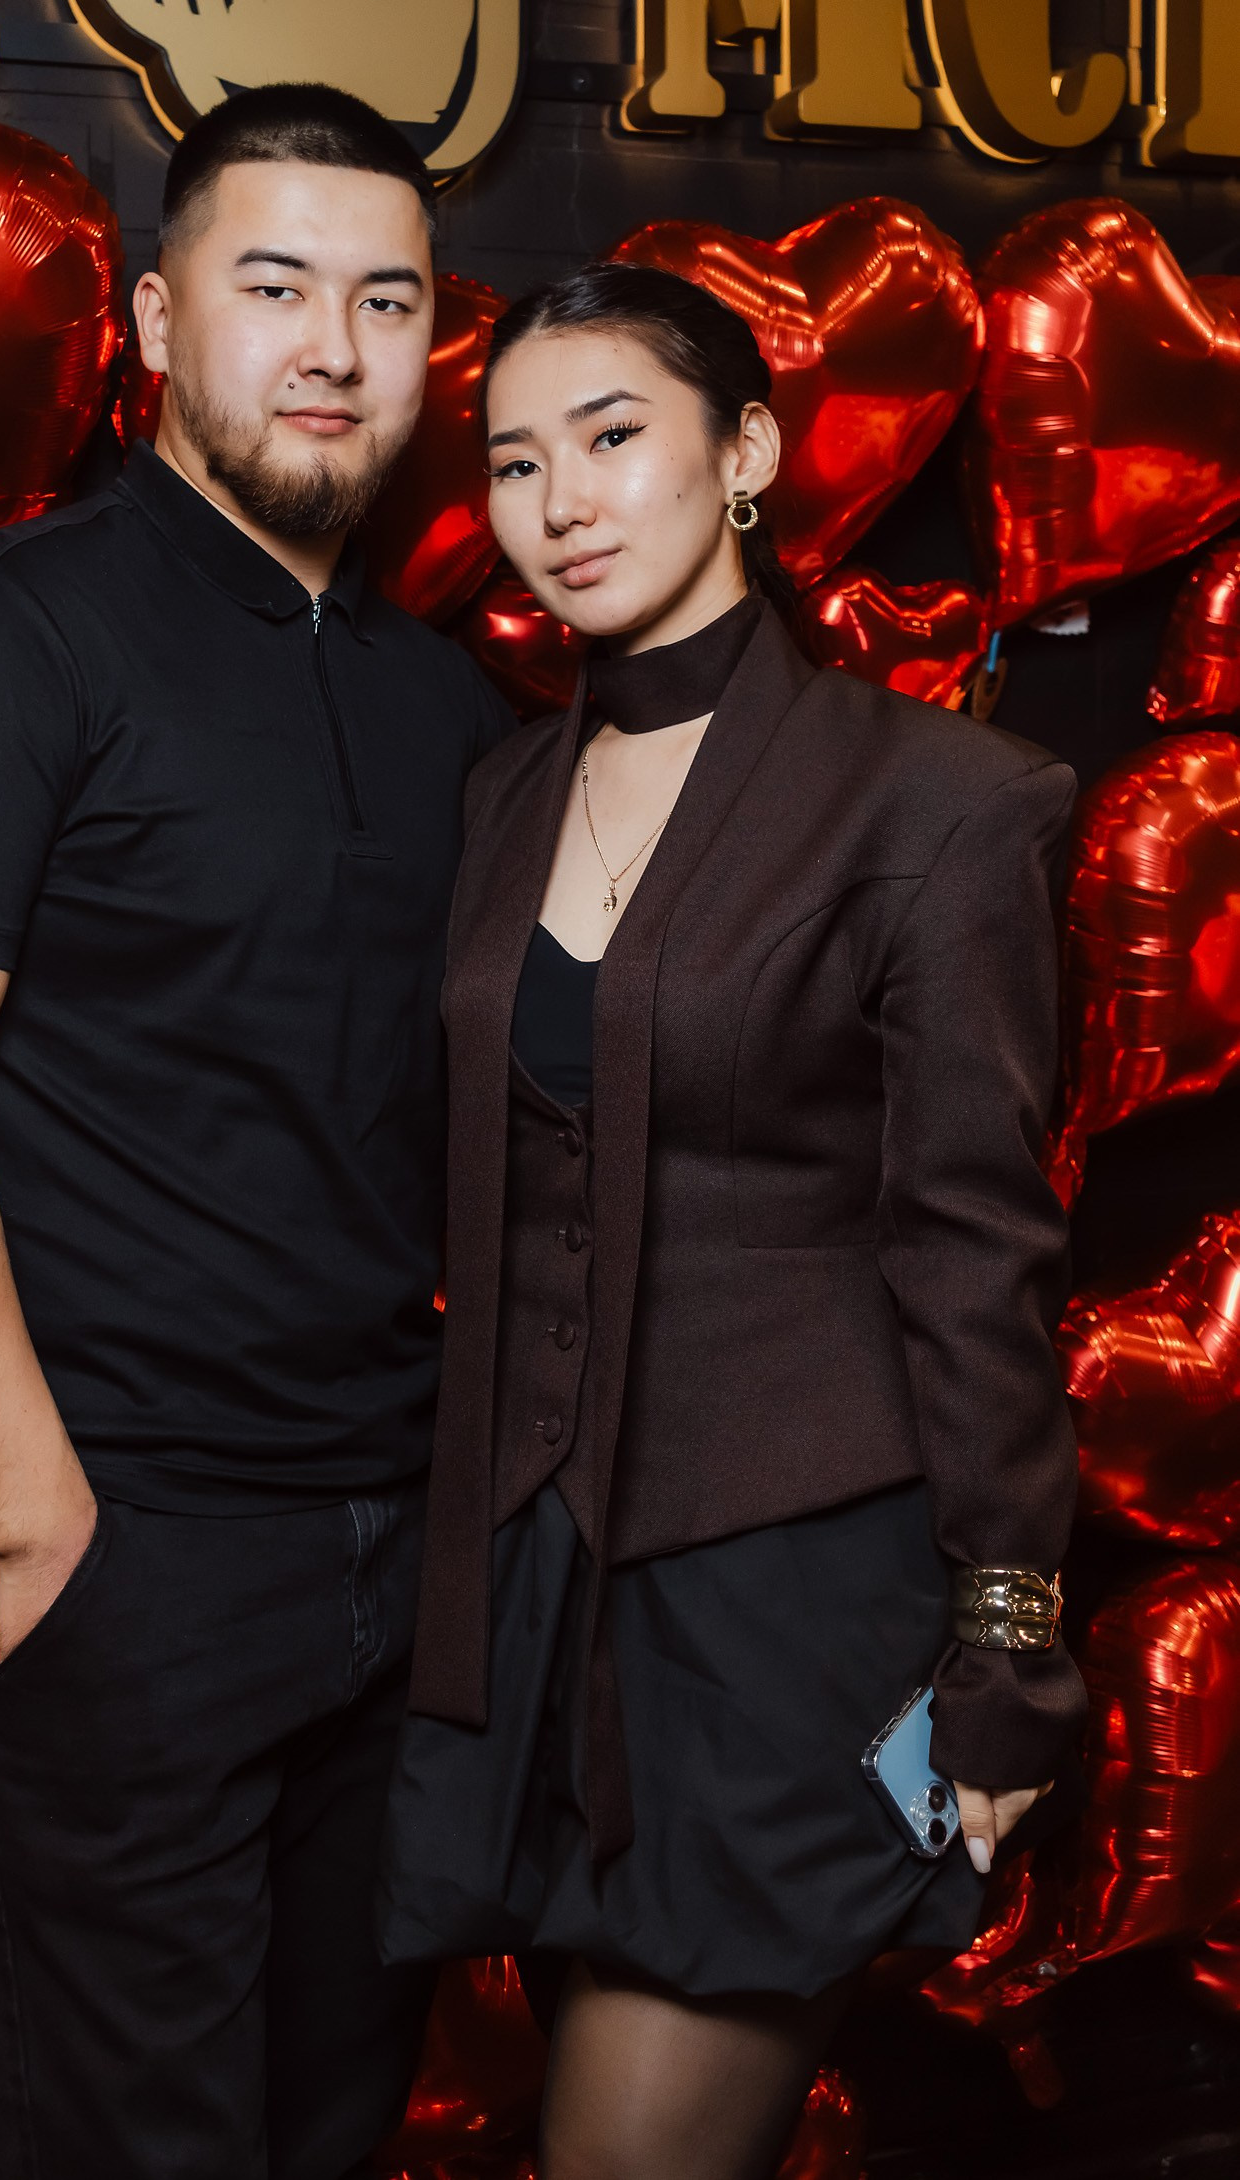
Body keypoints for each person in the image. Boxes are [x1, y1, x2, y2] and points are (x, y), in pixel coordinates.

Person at [0, 82, 513, 2180]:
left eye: (388, 300)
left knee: (331, 2127)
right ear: (153, 319)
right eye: (273, 287)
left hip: (396, 1553)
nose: (334, 347)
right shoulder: (4, 634)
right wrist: (41, 1528)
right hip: (133, 1552)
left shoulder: (448, 705)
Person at [376, 262, 1089, 2180]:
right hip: (531, 1596)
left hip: (789, 1606)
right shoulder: (503, 793)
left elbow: (977, 1248)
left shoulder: (940, 802)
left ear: (749, 452)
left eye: (613, 437)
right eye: (515, 462)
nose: (562, 504)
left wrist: (1009, 1649)